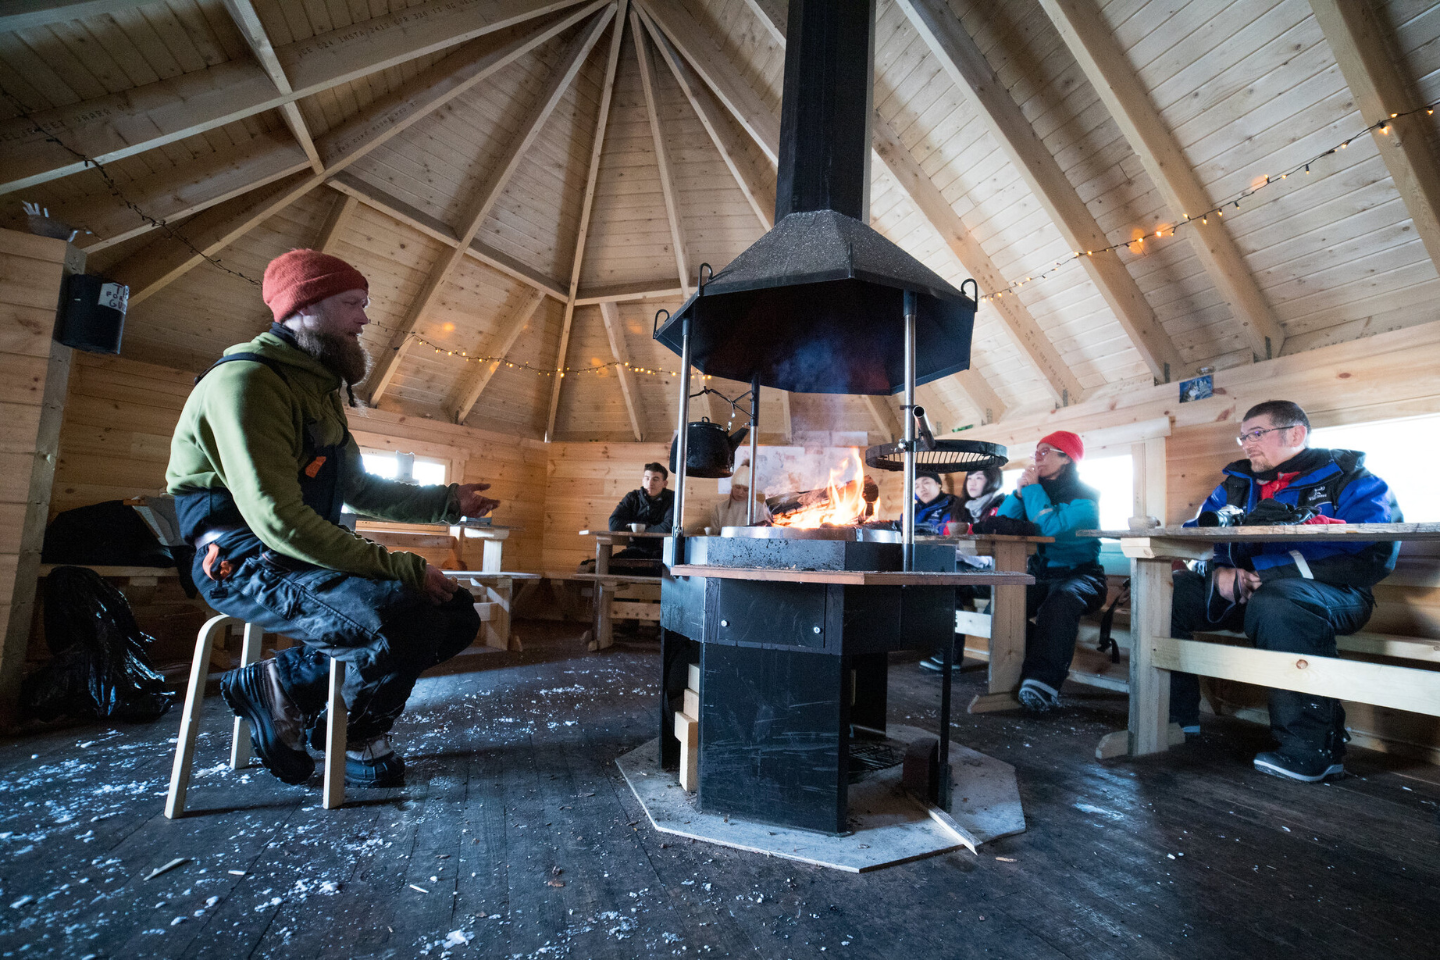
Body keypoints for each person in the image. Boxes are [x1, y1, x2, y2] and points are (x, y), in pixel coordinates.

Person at [166, 249, 499, 789]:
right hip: (239, 558)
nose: (364, 320)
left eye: (363, 305)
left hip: (297, 556)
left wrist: (447, 501)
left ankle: (316, 707)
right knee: (400, 617)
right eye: (352, 304)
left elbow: (359, 489)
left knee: (457, 612)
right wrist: (404, 568)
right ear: (304, 307)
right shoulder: (247, 383)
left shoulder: (317, 389)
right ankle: (337, 724)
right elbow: (278, 521)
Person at [1169, 400, 1398, 782]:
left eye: (1256, 434)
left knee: (1279, 604)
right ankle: (1174, 718)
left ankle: (1314, 750)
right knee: (1171, 595)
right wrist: (1220, 568)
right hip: (1249, 593)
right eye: (1242, 436)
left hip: (1336, 595)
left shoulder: (1350, 478)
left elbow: (1373, 552)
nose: (1246, 444)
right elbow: (1197, 533)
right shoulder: (1237, 484)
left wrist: (1268, 572)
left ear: (1295, 434)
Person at [994, 431, 1106, 712]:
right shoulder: (1033, 492)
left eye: (1045, 451)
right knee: (1004, 606)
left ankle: (1043, 683)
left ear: (1066, 458)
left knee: (1060, 603)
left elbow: (1051, 528)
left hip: (1082, 576)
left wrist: (1031, 492)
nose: (1037, 457)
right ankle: (1023, 673)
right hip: (1041, 575)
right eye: (1036, 452)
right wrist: (1019, 494)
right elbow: (1001, 524)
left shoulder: (1086, 497)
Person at [608, 462, 674, 560]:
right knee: (607, 564)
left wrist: (638, 531)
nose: (650, 483)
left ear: (665, 483)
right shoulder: (632, 497)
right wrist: (647, 526)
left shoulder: (672, 498)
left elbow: (668, 527)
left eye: (655, 479)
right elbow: (613, 524)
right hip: (635, 549)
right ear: (643, 480)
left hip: (662, 552)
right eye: (647, 478)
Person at [708, 463, 770, 530]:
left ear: (750, 491)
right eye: (737, 487)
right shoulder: (719, 508)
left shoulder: (758, 509)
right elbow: (715, 534)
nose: (740, 492)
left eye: (745, 489)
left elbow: (761, 532)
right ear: (732, 486)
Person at [955, 465, 1005, 529]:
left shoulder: (1001, 506)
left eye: (978, 478)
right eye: (969, 478)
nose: (972, 483)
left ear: (992, 479)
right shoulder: (960, 507)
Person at [913, 469, 960, 534]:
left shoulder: (953, 504)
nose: (922, 489)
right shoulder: (912, 511)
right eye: (916, 486)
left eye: (926, 483)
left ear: (938, 484)